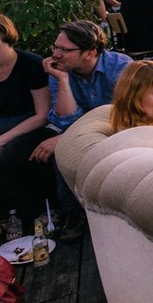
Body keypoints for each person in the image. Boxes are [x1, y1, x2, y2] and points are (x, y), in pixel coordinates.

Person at [37, 21, 134, 239]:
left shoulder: (121, 68)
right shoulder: (61, 72)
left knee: (63, 146)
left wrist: (65, 138)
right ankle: (73, 213)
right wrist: (62, 81)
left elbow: (129, 116)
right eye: (56, 47)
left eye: (64, 50)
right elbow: (65, 121)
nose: (56, 54)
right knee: (59, 150)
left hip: (122, 130)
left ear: (90, 52)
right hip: (83, 133)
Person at [0, 15, 53, 229]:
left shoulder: (30, 64)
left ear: (4, 34)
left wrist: (3, 138)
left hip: (30, 124)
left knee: (8, 155)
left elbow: (42, 114)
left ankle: (24, 215)